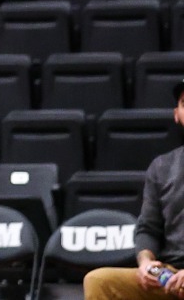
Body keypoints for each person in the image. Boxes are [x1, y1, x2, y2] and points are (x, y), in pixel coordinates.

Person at [80, 80, 184, 300]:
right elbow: (148, 229)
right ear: (177, 114)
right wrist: (146, 262)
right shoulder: (162, 167)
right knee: (98, 281)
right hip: (171, 276)